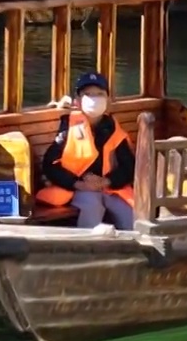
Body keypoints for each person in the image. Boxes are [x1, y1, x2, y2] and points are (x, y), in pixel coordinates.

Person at [36, 72, 137, 230]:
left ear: (108, 100)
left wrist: (106, 181)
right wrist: (77, 183)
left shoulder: (113, 129)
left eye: (99, 94)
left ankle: (137, 249)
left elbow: (129, 166)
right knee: (91, 207)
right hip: (78, 188)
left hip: (110, 188)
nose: (94, 98)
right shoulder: (68, 128)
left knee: (130, 213)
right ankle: (87, 249)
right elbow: (50, 165)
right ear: (77, 101)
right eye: (88, 94)